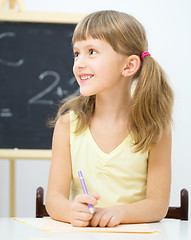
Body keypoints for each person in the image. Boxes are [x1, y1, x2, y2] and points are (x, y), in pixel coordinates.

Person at [45, 10, 174, 227]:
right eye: (77, 53)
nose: (79, 63)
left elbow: (157, 205)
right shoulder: (67, 126)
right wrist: (71, 210)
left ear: (129, 66)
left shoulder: (154, 127)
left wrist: (120, 213)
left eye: (92, 51)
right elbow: (53, 200)